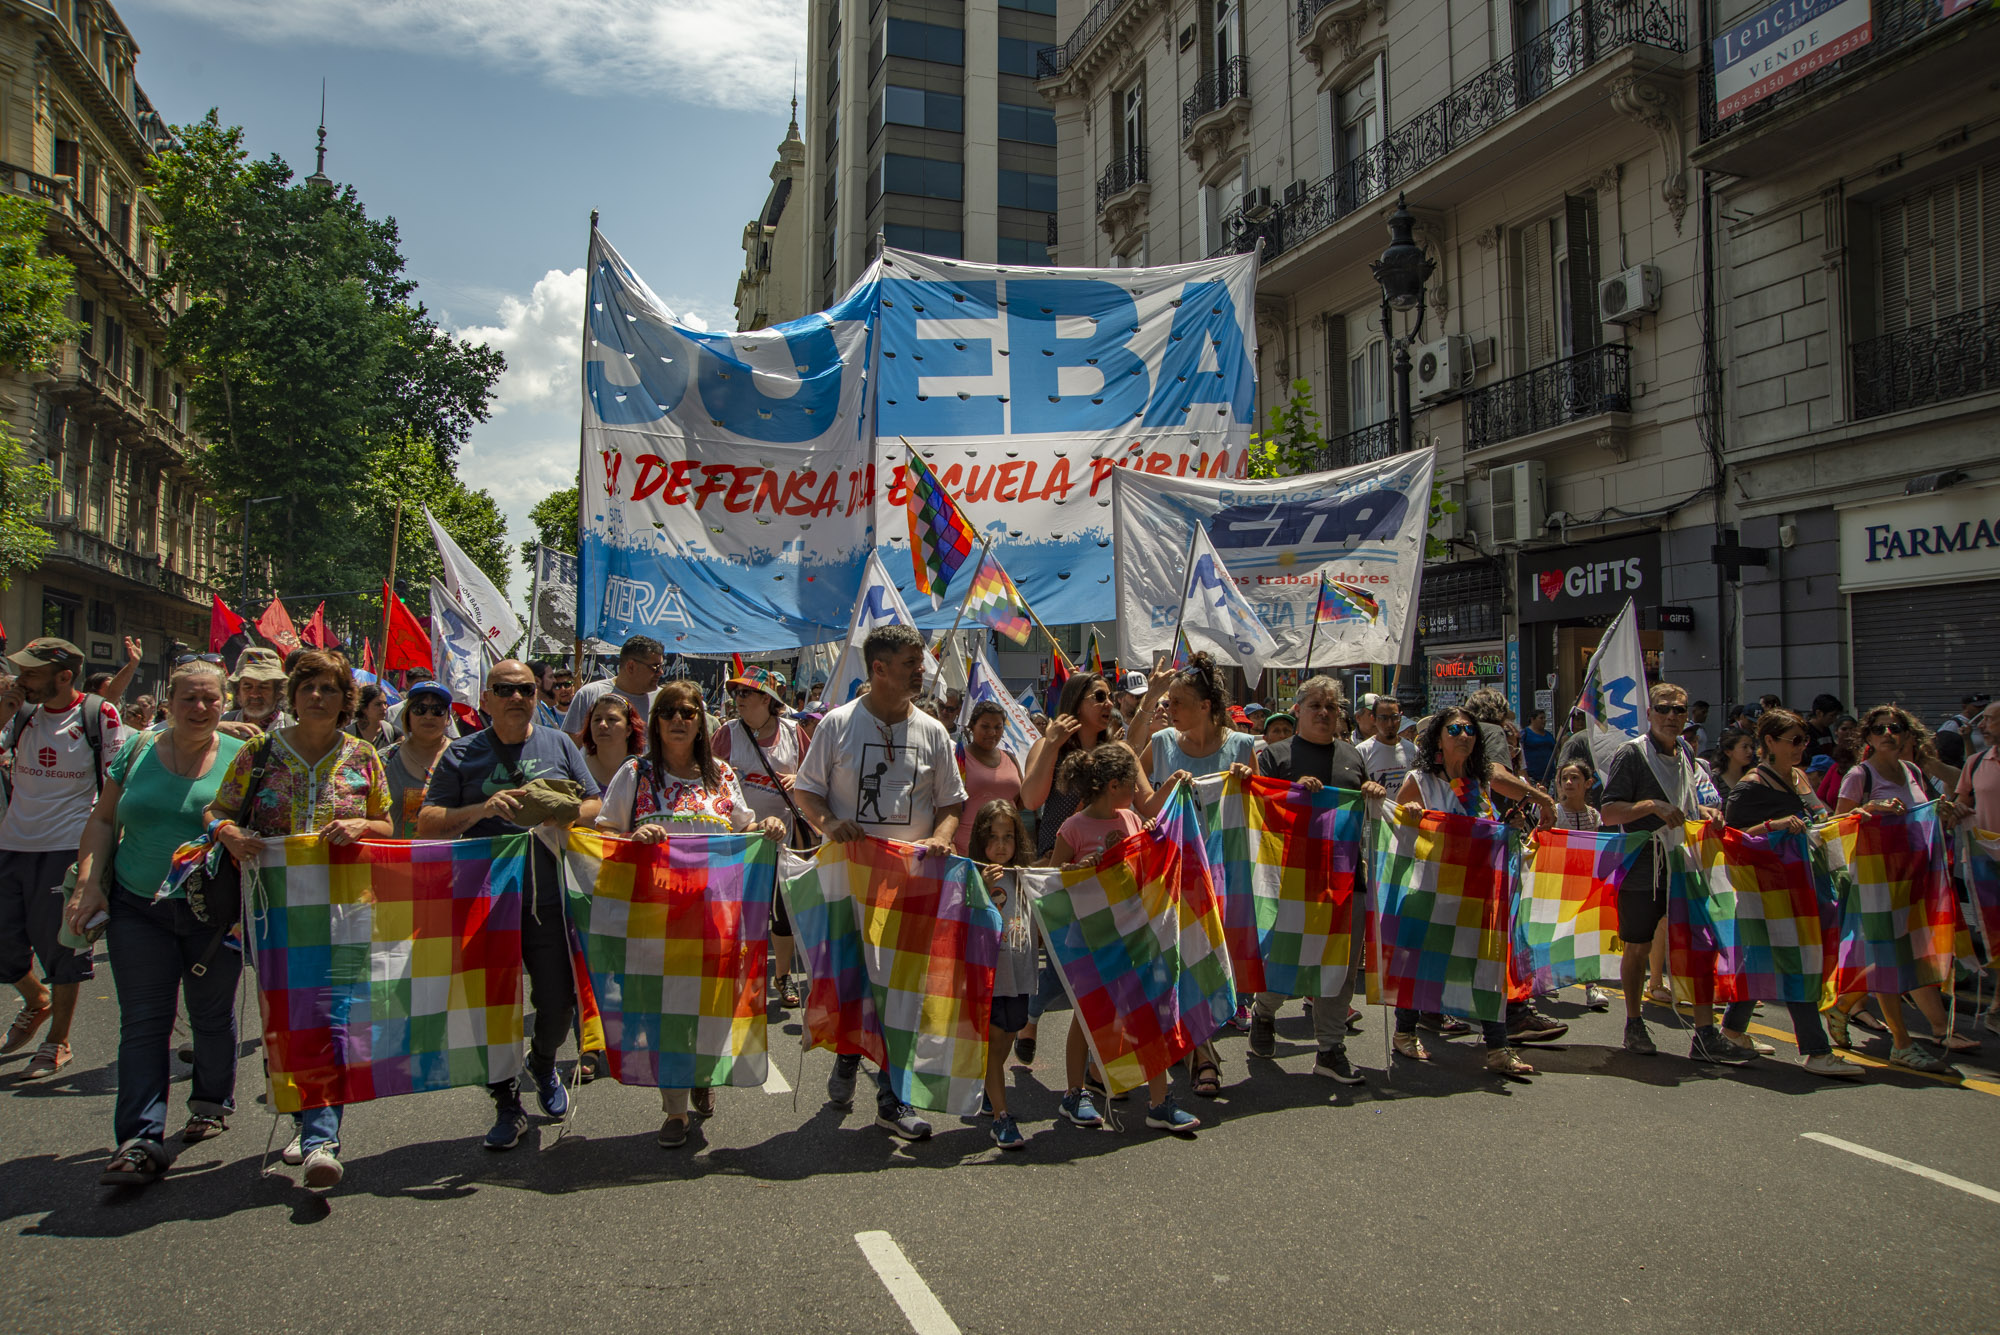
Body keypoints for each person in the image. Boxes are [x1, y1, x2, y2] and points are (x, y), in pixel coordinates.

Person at [207, 649, 392, 1189]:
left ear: (345, 701)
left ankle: (321, 1139)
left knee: (334, 1019)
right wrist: (228, 834)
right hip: (276, 912)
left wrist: (362, 826)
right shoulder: (259, 752)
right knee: (288, 1019)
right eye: (307, 686)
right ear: (292, 694)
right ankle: (300, 1116)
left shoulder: (364, 756)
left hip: (346, 908)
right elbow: (217, 811)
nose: (317, 696)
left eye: (329, 688)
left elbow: (386, 824)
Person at [65, 661, 248, 1184]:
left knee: (210, 1016)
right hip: (135, 907)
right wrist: (88, 884)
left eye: (210, 699)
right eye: (189, 697)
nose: (200, 708)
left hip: (213, 915)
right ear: (168, 701)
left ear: (224, 704)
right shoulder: (137, 749)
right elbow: (103, 820)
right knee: (144, 1023)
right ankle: (139, 1140)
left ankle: (210, 1102)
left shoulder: (243, 757)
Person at [420, 660, 603, 1154]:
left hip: (548, 898)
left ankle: (541, 1063)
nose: (516, 697)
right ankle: (506, 1103)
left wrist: (565, 811)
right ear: (486, 699)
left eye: (524, 689)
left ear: (535, 695)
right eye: (504, 690)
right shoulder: (462, 752)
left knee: (558, 1004)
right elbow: (428, 821)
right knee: (493, 1008)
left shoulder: (559, 743)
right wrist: (482, 808)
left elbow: (594, 804)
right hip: (485, 902)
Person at [792, 624, 967, 1141]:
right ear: (879, 668)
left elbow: (951, 802)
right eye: (912, 662)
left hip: (911, 885)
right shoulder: (838, 724)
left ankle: (893, 1097)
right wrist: (830, 823)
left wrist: (941, 836)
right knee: (857, 982)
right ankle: (850, 1054)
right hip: (849, 881)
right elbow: (807, 792)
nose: (922, 670)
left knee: (903, 991)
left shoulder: (933, 731)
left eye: (921, 661)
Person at [596, 680, 784, 1148]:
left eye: (688, 712)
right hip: (654, 920)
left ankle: (702, 1072)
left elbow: (744, 830)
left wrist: (767, 825)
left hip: (714, 918)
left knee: (710, 1009)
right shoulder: (636, 773)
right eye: (668, 712)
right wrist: (632, 840)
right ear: (655, 722)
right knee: (665, 1014)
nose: (678, 720)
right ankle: (675, 1109)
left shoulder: (722, 774)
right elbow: (603, 834)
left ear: (701, 721)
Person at [1388, 707, 1554, 1077]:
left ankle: (1498, 1048)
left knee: (1486, 970)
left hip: (1476, 892)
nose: (1464, 735)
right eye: (1455, 729)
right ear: (1438, 739)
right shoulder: (1420, 781)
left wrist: (1511, 824)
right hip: (1430, 890)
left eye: (1469, 730)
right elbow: (1398, 832)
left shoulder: (1477, 782)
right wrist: (1409, 814)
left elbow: (1486, 825)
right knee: (1421, 965)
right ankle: (1404, 1032)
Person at [1050, 744, 1200, 1134]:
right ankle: (1075, 1093)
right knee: (1087, 1017)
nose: (1137, 792)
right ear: (1114, 785)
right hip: (1090, 940)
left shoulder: (1132, 817)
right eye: (1133, 785)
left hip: (1134, 934)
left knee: (1150, 1014)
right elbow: (1051, 881)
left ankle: (1159, 1102)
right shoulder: (1073, 828)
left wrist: (1150, 837)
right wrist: (1077, 870)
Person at [1013, 672, 1149, 1096]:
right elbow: (1031, 799)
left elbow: (1144, 802)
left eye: (1110, 697)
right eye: (1099, 697)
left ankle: (1090, 1066)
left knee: (1101, 971)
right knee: (1066, 964)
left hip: (1110, 880)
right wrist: (1052, 743)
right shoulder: (1049, 744)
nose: (1108, 704)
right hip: (1062, 869)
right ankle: (1034, 1023)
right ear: (1075, 703)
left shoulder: (1115, 750)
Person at [1128, 653, 1258, 1092]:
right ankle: (1204, 1054)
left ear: (1205, 706)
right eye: (1168, 702)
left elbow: (1256, 812)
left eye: (1178, 702)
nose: (1170, 709)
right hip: (1174, 869)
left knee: (1211, 960)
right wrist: (1150, 699)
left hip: (1225, 871)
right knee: (1183, 959)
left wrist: (1248, 780)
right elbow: (1126, 765)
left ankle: (1199, 1042)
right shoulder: (1163, 742)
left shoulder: (1242, 747)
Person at [1600, 682, 1749, 1063]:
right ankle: (1634, 1022)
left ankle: (1705, 1033)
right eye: (1663, 709)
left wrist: (1708, 814)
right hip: (1643, 866)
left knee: (1700, 944)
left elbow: (1690, 803)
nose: (1671, 716)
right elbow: (1610, 811)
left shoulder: (1686, 752)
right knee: (1638, 945)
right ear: (1649, 713)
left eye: (1679, 710)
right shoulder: (1631, 755)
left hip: (1685, 863)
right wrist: (1651, 805)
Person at [1246, 676, 1385, 1083]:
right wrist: (1292, 792)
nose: (1324, 713)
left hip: (1346, 879)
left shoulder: (1352, 756)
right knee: (1284, 956)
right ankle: (1264, 1012)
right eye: (1316, 706)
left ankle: (1330, 1048)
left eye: (1331, 707)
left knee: (1340, 968)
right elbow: (1260, 808)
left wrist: (1372, 794)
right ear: (1298, 710)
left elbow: (1364, 816)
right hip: (1289, 879)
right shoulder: (1275, 755)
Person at [0, 637, 127, 1078]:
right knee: (5, 943)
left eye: (31, 674)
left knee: (63, 947)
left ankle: (58, 1040)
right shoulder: (20, 713)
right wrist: (3, 714)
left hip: (67, 848)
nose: (21, 680)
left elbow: (118, 778)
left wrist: (104, 857)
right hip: (11, 844)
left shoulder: (98, 714)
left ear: (64, 677)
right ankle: (37, 1000)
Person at [1714, 708, 1864, 1078]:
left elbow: (1821, 820)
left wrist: (1861, 815)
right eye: (1793, 740)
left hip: (1805, 884)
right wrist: (1773, 825)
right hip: (1769, 891)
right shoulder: (1750, 787)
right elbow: (1732, 840)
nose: (1801, 747)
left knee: (1762, 960)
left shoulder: (1798, 777)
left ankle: (1731, 1031)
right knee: (1798, 962)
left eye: (1804, 740)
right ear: (1769, 741)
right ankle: (1816, 1050)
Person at [1824, 703, 1971, 1074]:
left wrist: (1942, 812)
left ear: (1907, 735)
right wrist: (1869, 809)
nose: (1887, 734)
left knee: (1903, 954)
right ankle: (1902, 1044)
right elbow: (1836, 826)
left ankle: (1842, 1006)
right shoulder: (1859, 775)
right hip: (1875, 881)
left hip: (1913, 878)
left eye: (1895, 728)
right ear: (1868, 737)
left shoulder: (1912, 771)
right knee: (1888, 956)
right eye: (1879, 729)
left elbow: (1922, 815)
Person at [713, 664, 809, 1007]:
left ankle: (782, 976)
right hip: (737, 841)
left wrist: (801, 780)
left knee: (782, 913)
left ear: (768, 699)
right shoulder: (727, 734)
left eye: (746, 693)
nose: (738, 699)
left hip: (784, 840)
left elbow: (817, 777)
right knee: (735, 914)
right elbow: (705, 779)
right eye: (736, 693)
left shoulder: (794, 733)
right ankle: (732, 975)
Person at [966, 800, 1037, 1149]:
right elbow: (961, 916)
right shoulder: (973, 875)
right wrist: (979, 886)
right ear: (981, 840)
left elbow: (1057, 882)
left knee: (1009, 1036)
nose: (1000, 845)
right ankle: (1001, 1118)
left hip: (1020, 975)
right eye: (992, 837)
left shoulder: (1024, 874)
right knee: (995, 1045)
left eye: (1008, 836)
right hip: (991, 978)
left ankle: (989, 1091)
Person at [1548, 758, 1612, 1011]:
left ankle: (1591, 986)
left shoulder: (1594, 815)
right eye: (1564, 778)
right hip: (1558, 883)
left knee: (1588, 935)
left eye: (1574, 778)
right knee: (1554, 933)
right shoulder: (1554, 812)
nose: (1568, 782)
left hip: (1587, 883)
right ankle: (1546, 977)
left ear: (1588, 783)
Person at [380, 681, 454, 838]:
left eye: (437, 710)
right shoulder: (384, 760)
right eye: (420, 709)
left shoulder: (465, 758)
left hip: (450, 854)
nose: (428, 716)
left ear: (448, 717)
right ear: (407, 715)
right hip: (396, 853)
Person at [953, 701, 1023, 857]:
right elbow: (944, 804)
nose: (992, 733)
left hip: (1005, 851)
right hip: (967, 850)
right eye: (985, 726)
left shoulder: (1011, 758)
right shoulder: (958, 758)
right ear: (972, 726)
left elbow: (1020, 801)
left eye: (998, 727)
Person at [561, 634, 665, 733]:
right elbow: (570, 742)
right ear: (631, 667)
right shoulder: (589, 694)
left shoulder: (663, 699)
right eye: (655, 667)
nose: (661, 672)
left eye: (661, 666)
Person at [577, 693, 644, 794]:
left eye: (612, 719)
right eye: (597, 719)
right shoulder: (578, 769)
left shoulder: (644, 772)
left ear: (629, 729)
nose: (602, 725)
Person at [1358, 696, 1420, 795]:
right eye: (1384, 718)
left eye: (1394, 717)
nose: (1390, 724)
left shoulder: (1412, 750)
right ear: (1373, 719)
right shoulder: (1362, 751)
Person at [222, 648, 291, 735]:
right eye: (247, 686)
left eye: (263, 687)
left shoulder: (295, 728)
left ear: (278, 692)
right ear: (237, 691)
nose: (255, 694)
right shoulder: (221, 726)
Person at [349, 683, 400, 750]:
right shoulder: (349, 733)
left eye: (385, 703)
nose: (384, 708)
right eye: (378, 704)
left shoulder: (393, 733)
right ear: (364, 708)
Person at [1709, 726, 1756, 796]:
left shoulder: (1753, 777)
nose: (1750, 751)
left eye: (1752, 747)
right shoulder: (1714, 778)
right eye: (1744, 747)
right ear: (1728, 751)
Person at [1519, 708, 1557, 787]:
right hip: (1531, 777)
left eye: (1545, 718)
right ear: (1532, 719)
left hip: (1547, 777)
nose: (1544, 720)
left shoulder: (1548, 735)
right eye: (1541, 718)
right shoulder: (1525, 734)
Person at [1804, 692, 1843, 765]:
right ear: (1819, 713)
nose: (1834, 720)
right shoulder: (1806, 731)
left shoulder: (1826, 729)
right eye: (1832, 716)